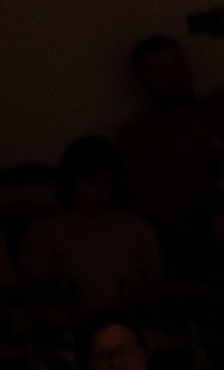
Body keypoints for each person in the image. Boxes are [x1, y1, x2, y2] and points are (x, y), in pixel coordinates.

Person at [116, 8, 224, 234]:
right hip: (184, 243)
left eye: (178, 64)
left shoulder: (220, 108)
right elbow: (136, 204)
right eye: (159, 71)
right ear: (143, 79)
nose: (173, 75)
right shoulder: (135, 136)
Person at [21, 136, 166, 319]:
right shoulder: (44, 232)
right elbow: (33, 294)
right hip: (67, 329)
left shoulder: (137, 229)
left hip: (126, 328)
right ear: (72, 181)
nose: (98, 192)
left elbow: (154, 289)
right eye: (91, 183)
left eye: (106, 184)